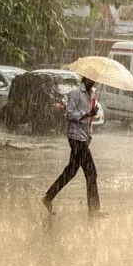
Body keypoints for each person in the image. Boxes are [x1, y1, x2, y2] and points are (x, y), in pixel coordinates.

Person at [41, 77, 100, 215]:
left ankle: (48, 197)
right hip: (75, 137)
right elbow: (69, 115)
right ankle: (94, 210)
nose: (94, 81)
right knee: (91, 173)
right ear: (85, 78)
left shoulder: (92, 94)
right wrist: (86, 114)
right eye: (91, 78)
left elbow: (89, 120)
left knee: (71, 171)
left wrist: (90, 134)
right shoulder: (75, 94)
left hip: (84, 138)